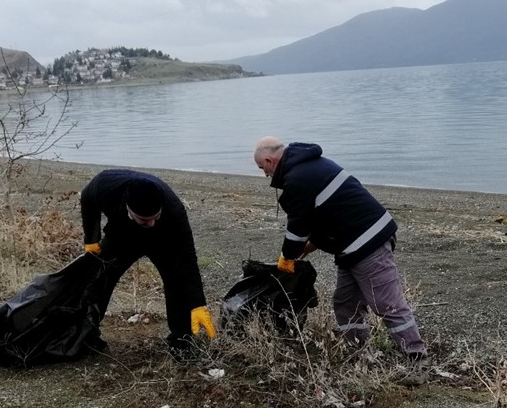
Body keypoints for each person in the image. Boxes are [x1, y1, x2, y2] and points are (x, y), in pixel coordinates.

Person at [252, 137, 427, 359]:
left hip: (368, 242)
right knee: (346, 303)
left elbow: (297, 228)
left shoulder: (296, 179)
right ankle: (359, 351)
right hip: (352, 246)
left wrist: (287, 257)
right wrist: (313, 244)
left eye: (263, 168)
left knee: (386, 303)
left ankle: (416, 356)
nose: (265, 175)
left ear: (270, 161)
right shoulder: (310, 165)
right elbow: (329, 211)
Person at [79, 168, 214, 356]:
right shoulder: (105, 186)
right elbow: (87, 198)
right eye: (144, 220)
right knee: (98, 277)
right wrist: (91, 239)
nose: (151, 223)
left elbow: (187, 258)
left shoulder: (174, 210)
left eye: (155, 217)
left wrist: (197, 302)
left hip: (162, 240)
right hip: (121, 235)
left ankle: (181, 341)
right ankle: (85, 333)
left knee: (176, 281)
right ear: (128, 209)